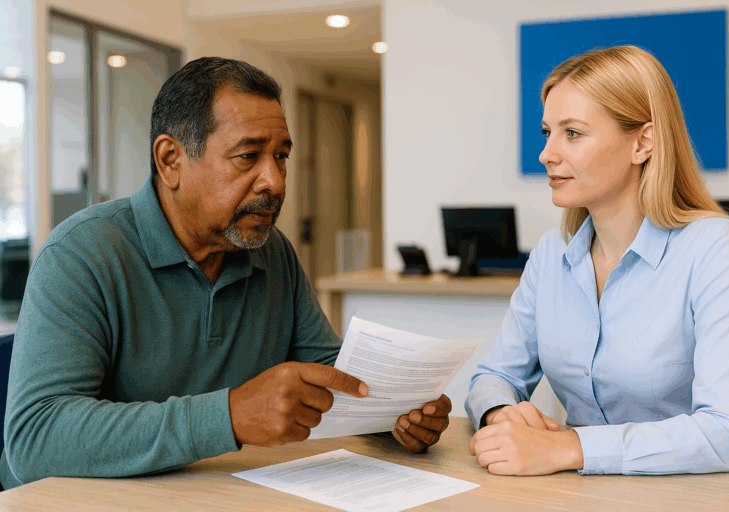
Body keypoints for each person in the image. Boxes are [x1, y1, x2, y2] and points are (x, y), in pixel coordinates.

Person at [0, 57, 450, 490]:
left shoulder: (271, 251)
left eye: (281, 157)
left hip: (215, 493)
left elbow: (328, 375)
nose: (274, 180)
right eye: (249, 156)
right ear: (170, 161)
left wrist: (397, 413)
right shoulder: (81, 254)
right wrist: (230, 415)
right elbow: (35, 439)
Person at [465, 45, 729, 476]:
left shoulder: (716, 248)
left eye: (572, 133)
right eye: (547, 131)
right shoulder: (552, 254)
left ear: (643, 142)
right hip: (573, 495)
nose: (546, 154)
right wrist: (500, 413)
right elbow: (494, 376)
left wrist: (571, 448)